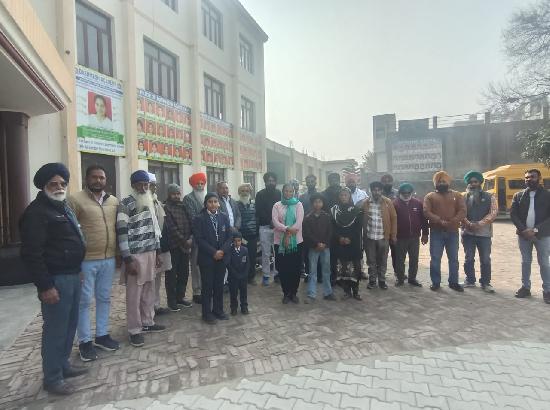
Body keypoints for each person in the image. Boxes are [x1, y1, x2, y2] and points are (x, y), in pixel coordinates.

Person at [20, 163, 87, 395]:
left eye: (62, 183)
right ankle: (52, 378)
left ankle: (63, 365)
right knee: (55, 330)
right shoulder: (36, 213)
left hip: (72, 275)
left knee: (69, 325)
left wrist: (78, 268)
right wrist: (45, 286)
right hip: (55, 280)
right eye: (53, 184)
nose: (59, 187)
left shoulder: (63, 207)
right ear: (44, 186)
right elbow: (32, 254)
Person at [67, 165, 119, 363]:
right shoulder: (75, 200)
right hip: (86, 260)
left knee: (104, 298)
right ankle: (85, 342)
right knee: (84, 301)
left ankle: (102, 335)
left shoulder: (113, 201)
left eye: (102, 177)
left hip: (108, 258)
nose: (98, 180)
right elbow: (70, 230)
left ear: (106, 180)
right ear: (86, 179)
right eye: (94, 177)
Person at [117, 171, 166, 348]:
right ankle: (134, 330)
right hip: (135, 256)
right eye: (140, 184)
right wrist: (128, 259)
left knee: (149, 290)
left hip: (151, 252)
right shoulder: (125, 204)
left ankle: (147, 322)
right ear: (133, 185)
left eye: (146, 184)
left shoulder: (150, 201)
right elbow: (122, 232)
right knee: (134, 294)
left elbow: (155, 229)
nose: (144, 187)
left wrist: (158, 252)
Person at [510, 169, 550, 304]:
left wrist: (536, 230)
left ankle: (547, 290)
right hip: (523, 235)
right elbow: (513, 214)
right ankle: (525, 287)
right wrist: (524, 230)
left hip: (543, 235)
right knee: (525, 261)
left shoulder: (547, 195)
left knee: (544, 262)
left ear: (539, 178)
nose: (529, 179)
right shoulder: (518, 195)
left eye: (532, 177)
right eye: (526, 177)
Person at [423, 171, 467, 292]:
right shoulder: (430, 196)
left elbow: (463, 210)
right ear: (435, 183)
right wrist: (439, 221)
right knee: (435, 258)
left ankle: (453, 282)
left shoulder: (457, 195)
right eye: (439, 181)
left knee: (453, 259)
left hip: (452, 232)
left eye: (444, 181)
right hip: (436, 232)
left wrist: (453, 221)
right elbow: (426, 212)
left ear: (448, 182)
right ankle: (436, 283)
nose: (442, 183)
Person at [193, 193, 232, 323]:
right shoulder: (199, 218)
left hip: (221, 257)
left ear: (218, 204)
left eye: (215, 201)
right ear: (206, 204)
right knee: (207, 286)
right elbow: (199, 239)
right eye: (210, 202)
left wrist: (222, 251)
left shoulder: (224, 217)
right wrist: (214, 252)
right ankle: (206, 313)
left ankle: (218, 310)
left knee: (219, 285)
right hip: (207, 258)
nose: (213, 204)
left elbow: (229, 237)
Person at [462, 171, 498, 293]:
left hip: (484, 234)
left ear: (480, 183)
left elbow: (493, 213)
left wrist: (479, 224)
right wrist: (468, 224)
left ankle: (486, 282)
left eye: (475, 182)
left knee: (485, 259)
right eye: (470, 182)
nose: (473, 184)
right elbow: (460, 213)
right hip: (468, 233)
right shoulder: (463, 197)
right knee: (469, 258)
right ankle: (470, 280)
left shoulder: (490, 196)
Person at [272, 183, 304, 304]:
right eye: (286, 191)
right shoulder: (277, 205)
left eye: (291, 191)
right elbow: (275, 222)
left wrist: (289, 234)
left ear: (294, 192)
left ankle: (294, 293)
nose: (288, 193)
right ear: (283, 192)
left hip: (296, 242)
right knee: (283, 268)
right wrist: (286, 229)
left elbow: (299, 222)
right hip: (279, 242)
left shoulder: (298, 205)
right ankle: (286, 293)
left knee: (295, 268)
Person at [392, 183, 428, 287]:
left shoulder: (418, 203)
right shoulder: (394, 204)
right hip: (400, 238)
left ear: (411, 193)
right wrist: (392, 236)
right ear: (400, 193)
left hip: (414, 237)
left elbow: (424, 220)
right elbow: (391, 221)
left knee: (414, 259)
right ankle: (400, 278)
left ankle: (412, 279)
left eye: (408, 192)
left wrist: (425, 234)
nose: (406, 194)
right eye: (404, 193)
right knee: (400, 259)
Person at [164, 183, 193, 309]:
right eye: (173, 194)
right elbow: (171, 228)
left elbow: (191, 222)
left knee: (184, 273)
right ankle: (172, 301)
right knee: (171, 275)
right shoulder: (166, 207)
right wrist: (184, 241)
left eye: (178, 193)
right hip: (174, 245)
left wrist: (191, 238)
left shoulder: (183, 206)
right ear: (169, 194)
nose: (176, 196)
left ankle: (180, 297)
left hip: (186, 246)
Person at [363, 181, 397, 290]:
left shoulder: (387, 202)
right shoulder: (366, 203)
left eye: (378, 190)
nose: (376, 192)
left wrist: (393, 235)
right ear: (371, 191)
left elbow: (393, 218)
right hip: (370, 237)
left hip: (383, 237)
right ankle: (372, 280)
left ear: (381, 191)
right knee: (371, 260)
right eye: (374, 190)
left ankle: (382, 280)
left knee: (383, 260)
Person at [331, 188, 363, 299]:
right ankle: (347, 291)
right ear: (338, 197)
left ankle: (356, 291)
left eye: (346, 195)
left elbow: (358, 227)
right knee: (343, 268)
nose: (343, 197)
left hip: (353, 243)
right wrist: (340, 238)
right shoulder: (334, 211)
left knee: (355, 267)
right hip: (339, 243)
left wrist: (350, 238)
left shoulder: (357, 210)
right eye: (341, 195)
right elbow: (332, 228)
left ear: (350, 196)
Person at [303, 193, 335, 302]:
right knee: (312, 271)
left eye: (320, 202)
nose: (318, 204)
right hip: (313, 248)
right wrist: (316, 243)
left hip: (325, 247)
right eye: (315, 202)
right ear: (312, 204)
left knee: (326, 270)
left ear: (322, 203)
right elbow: (307, 234)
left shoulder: (327, 216)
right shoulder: (308, 218)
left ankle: (328, 292)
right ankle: (311, 294)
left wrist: (324, 243)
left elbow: (330, 232)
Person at [148, 173, 173, 315]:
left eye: (154, 185)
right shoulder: (142, 202)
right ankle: (148, 308)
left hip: (161, 245)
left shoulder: (156, 201)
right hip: (148, 247)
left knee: (157, 276)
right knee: (149, 278)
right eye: (151, 185)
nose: (154, 188)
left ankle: (156, 305)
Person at [183, 172, 207, 304]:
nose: (200, 185)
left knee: (206, 265)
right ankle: (197, 292)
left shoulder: (208, 197)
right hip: (196, 236)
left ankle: (206, 289)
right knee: (196, 265)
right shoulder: (188, 198)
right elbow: (193, 218)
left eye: (202, 183)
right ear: (193, 185)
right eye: (197, 183)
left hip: (208, 237)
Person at [255, 172, 282, 286]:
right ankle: (266, 275)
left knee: (277, 252)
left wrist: (275, 222)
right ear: (265, 182)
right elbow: (259, 210)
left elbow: (281, 208)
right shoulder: (260, 194)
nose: (271, 183)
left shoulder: (279, 193)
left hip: (277, 227)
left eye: (273, 180)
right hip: (264, 226)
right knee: (265, 253)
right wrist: (270, 220)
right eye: (269, 181)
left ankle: (277, 274)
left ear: (275, 182)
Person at [236, 183, 259, 284]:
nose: (244, 193)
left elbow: (257, 218)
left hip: (252, 236)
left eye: (246, 191)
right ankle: (242, 277)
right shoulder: (235, 205)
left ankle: (251, 277)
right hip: (240, 236)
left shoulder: (254, 204)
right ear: (239, 192)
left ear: (250, 192)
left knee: (252, 257)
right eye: (242, 191)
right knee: (241, 258)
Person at [224, 232, 250, 315]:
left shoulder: (245, 250)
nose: (237, 243)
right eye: (235, 241)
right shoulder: (229, 251)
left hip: (243, 276)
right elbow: (228, 264)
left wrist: (245, 274)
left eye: (239, 241)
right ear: (233, 241)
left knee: (244, 292)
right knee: (233, 293)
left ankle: (244, 307)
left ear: (241, 241)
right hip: (233, 277)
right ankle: (234, 308)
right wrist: (235, 274)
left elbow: (247, 263)